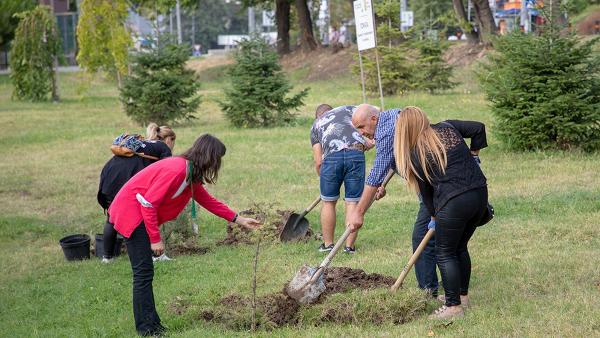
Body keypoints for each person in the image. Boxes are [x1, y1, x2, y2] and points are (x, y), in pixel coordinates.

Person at [109, 134, 261, 336]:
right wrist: (155, 239)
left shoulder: (189, 172)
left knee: (145, 273)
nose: (218, 164)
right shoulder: (177, 170)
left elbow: (207, 201)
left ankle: (153, 324)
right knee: (143, 274)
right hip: (132, 215)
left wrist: (239, 219)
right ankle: (146, 329)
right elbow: (148, 203)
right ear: (211, 157)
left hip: (139, 214)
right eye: (219, 159)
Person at [391, 106, 488, 319]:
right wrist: (474, 155)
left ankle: (453, 307)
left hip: (454, 202)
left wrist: (434, 215)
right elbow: (479, 128)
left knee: (445, 252)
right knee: (459, 247)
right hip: (480, 193)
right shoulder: (448, 127)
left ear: (403, 129)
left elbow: (426, 195)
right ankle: (461, 296)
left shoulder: (414, 153)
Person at [347, 104, 440, 295]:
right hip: (432, 185)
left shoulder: (386, 131)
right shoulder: (392, 117)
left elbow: (375, 174)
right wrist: (383, 183)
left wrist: (358, 212)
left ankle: (428, 291)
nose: (361, 133)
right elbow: (395, 157)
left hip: (436, 187)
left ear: (373, 119)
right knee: (441, 236)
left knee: (423, 235)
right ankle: (449, 282)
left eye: (361, 127)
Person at [97, 124, 177, 263]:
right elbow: (167, 172)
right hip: (127, 180)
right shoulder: (163, 148)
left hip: (109, 177)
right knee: (146, 217)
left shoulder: (140, 144)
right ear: (169, 139)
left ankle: (107, 258)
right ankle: (156, 255)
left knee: (111, 218)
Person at [310, 104, 373, 254]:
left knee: (329, 202)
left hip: (331, 159)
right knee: (352, 202)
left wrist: (324, 178)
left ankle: (328, 245)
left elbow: (318, 161)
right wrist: (368, 143)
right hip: (356, 154)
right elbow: (370, 118)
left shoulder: (316, 124)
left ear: (318, 116)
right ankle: (349, 247)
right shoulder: (348, 109)